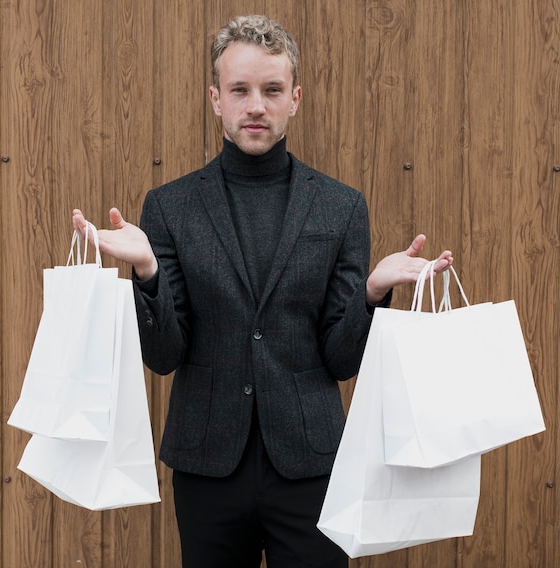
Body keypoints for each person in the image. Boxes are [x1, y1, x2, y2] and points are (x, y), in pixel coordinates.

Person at [73, 14, 453, 568]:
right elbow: (163, 357)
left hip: (311, 465)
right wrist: (149, 273)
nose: (256, 105)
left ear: (294, 98)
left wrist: (372, 293)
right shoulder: (169, 207)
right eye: (240, 90)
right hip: (207, 465)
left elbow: (340, 360)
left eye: (272, 90)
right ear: (216, 99)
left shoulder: (340, 207)